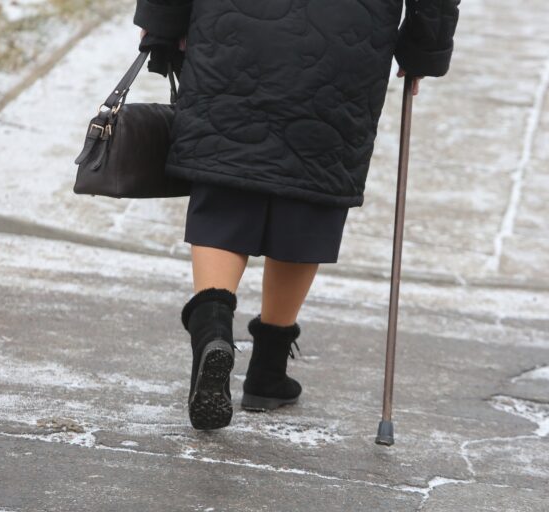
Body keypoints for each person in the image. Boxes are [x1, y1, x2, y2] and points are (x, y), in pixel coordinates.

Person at [133, 0, 461, 430]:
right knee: (309, 191)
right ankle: (268, 371)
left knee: (226, 178)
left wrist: (161, 21)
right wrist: (425, 47)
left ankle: (212, 330)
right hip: (347, 40)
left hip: (232, 29)